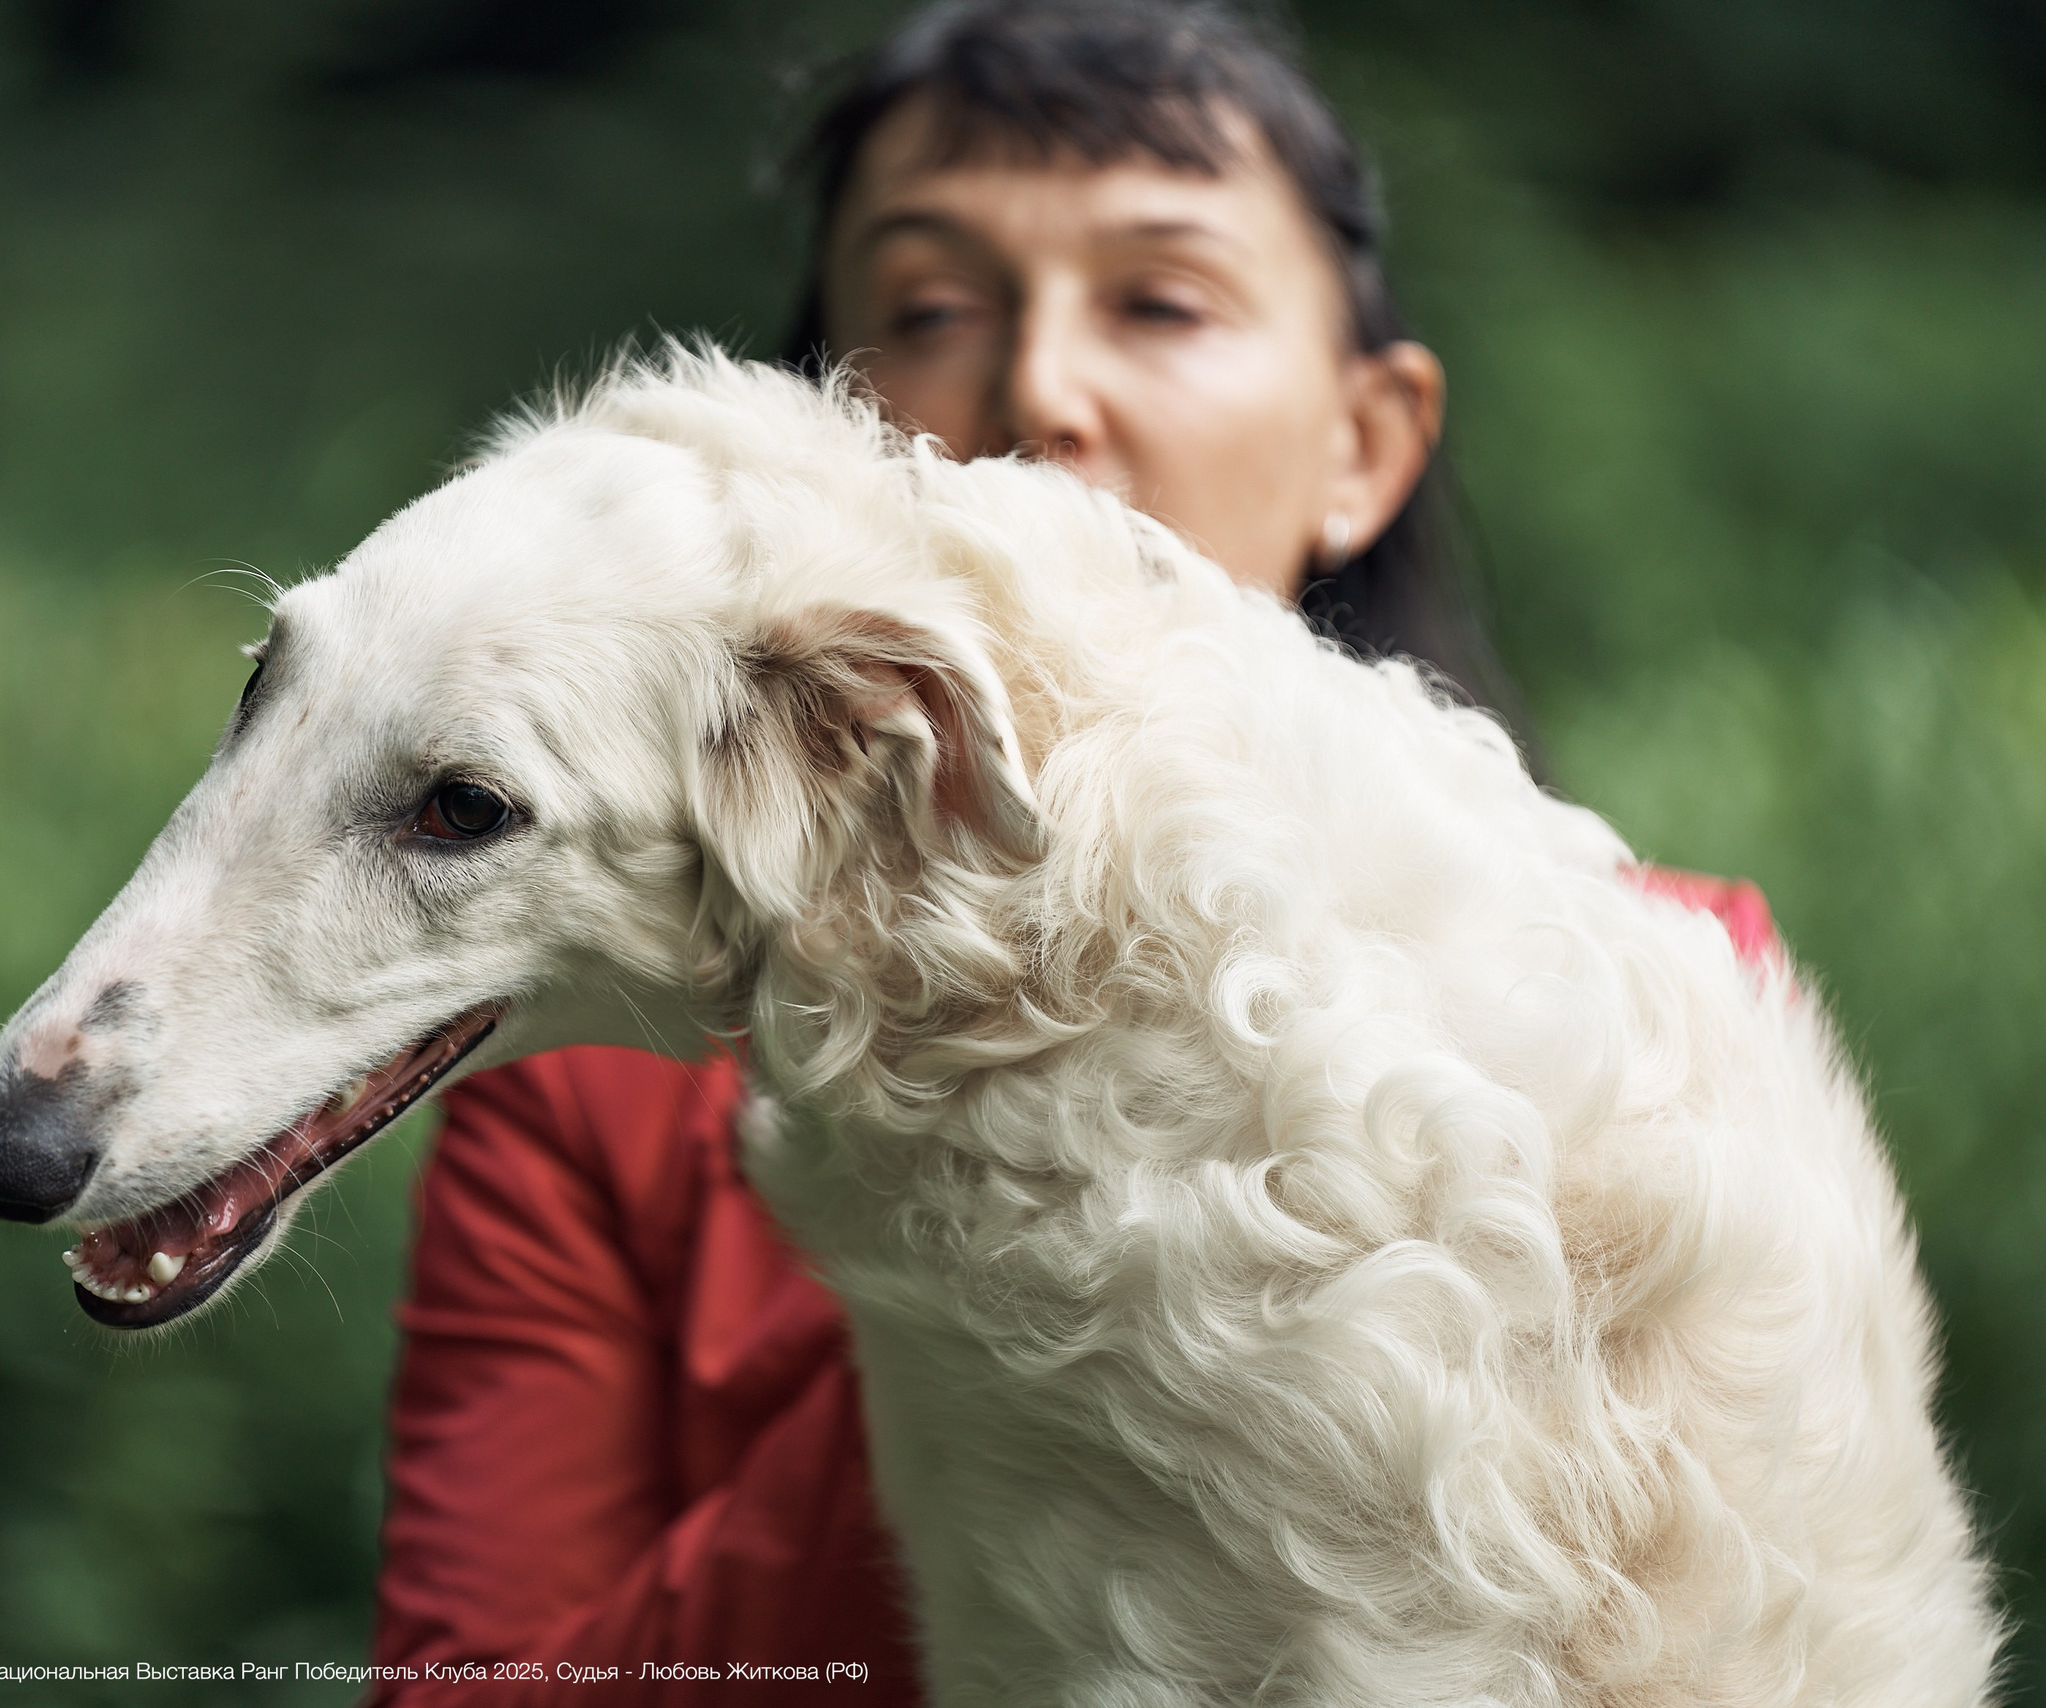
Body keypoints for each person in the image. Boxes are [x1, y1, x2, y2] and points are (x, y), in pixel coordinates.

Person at [367, 4, 1776, 1703]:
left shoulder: (1654, 1013)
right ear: (818, 447)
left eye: (1162, 301)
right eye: (931, 309)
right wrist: (997, 1261)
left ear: (1365, 443)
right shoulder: (590, 1077)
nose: (1039, 391)